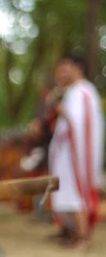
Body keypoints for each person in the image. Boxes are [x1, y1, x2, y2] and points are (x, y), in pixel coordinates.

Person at [48, 53, 105, 250]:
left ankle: (84, 237)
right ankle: (70, 231)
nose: (63, 72)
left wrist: (61, 110)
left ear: (78, 67)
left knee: (76, 192)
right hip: (66, 153)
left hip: (76, 154)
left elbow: (82, 124)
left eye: (66, 67)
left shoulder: (84, 92)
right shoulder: (72, 91)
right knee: (64, 191)